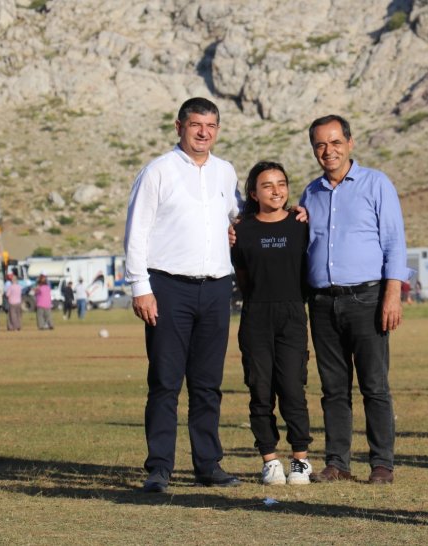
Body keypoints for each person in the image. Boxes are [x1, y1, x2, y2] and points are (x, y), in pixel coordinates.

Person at [124, 97, 241, 493]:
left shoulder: (226, 172)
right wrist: (141, 287)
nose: (203, 132)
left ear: (217, 130)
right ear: (179, 127)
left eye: (210, 125)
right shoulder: (158, 171)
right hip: (168, 287)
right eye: (195, 125)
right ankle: (159, 467)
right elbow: (136, 231)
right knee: (165, 382)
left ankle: (208, 464)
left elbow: (235, 219)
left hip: (216, 288)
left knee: (208, 383)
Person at [299, 114, 412, 485]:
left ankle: (382, 464)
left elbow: (394, 243)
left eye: (334, 142)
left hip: (367, 298)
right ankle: (338, 463)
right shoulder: (310, 193)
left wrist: (392, 295)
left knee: (374, 386)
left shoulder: (376, 184)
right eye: (320, 144)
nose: (327, 151)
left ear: (349, 142)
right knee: (333, 388)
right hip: (322, 302)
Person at [231, 161, 313, 486]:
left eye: (281, 183)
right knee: (260, 389)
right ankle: (269, 460)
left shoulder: (301, 223)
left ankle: (300, 460)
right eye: (267, 185)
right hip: (256, 315)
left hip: (292, 313)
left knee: (293, 387)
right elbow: (242, 276)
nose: (276, 190)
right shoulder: (242, 229)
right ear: (254, 192)